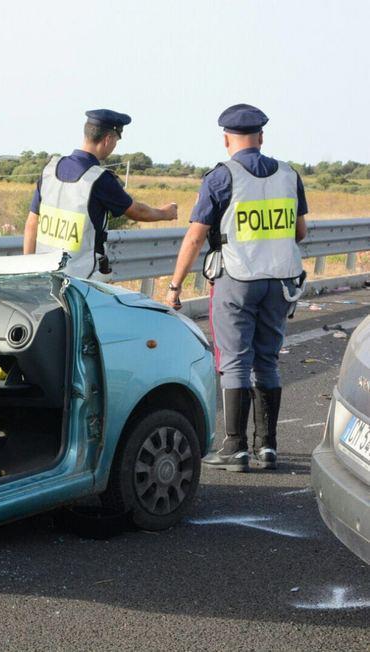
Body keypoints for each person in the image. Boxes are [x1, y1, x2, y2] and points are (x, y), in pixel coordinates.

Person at [166, 104, 308, 471]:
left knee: (234, 362)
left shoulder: (221, 178)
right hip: (279, 283)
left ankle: (235, 448)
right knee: (267, 361)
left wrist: (175, 285)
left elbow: (196, 237)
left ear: (226, 138)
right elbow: (301, 232)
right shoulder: (289, 175)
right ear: (261, 137)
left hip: (237, 281)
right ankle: (268, 447)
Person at [23, 109, 178, 278]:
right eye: (116, 141)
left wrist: (28, 269)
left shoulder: (50, 168)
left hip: (42, 274)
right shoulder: (98, 179)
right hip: (80, 281)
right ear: (107, 139)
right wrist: (165, 213)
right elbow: (137, 211)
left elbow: (32, 222)